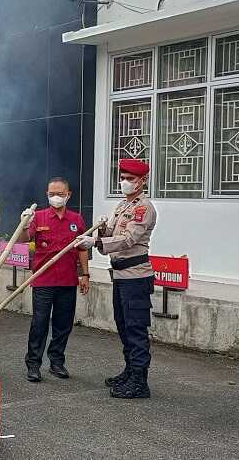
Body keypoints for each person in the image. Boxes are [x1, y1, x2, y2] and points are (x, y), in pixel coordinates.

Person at [76, 158, 157, 399]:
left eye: (130, 179)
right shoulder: (122, 206)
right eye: (122, 178)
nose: (124, 182)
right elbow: (113, 235)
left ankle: (140, 382)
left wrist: (97, 242)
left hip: (136, 277)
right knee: (123, 326)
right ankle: (130, 370)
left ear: (143, 181)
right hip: (120, 275)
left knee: (136, 328)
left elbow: (128, 240)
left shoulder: (144, 209)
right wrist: (101, 231)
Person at [19, 177, 89, 383]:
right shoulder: (38, 217)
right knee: (39, 323)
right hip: (43, 280)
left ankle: (56, 362)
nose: (55, 197)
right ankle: (33, 364)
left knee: (63, 324)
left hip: (67, 281)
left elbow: (82, 249)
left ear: (69, 195)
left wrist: (85, 274)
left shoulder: (76, 219)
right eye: (51, 194)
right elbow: (24, 240)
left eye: (60, 194)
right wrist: (24, 223)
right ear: (46, 195)